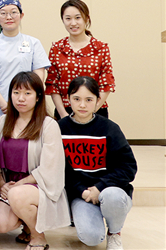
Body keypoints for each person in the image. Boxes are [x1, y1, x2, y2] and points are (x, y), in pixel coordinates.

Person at [0, 72, 70, 250]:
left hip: (39, 186)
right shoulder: (3, 122)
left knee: (17, 195)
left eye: (27, 93)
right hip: (10, 186)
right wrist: (2, 184)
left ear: (38, 97)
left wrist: (18, 186)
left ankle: (37, 235)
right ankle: (27, 222)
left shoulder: (48, 125)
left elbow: (50, 167)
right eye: (16, 93)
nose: (21, 98)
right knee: (0, 224)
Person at [58, 77, 137, 250]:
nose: (82, 105)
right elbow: (59, 170)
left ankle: (114, 233)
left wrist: (100, 187)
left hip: (109, 190)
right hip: (81, 195)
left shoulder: (109, 128)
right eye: (76, 99)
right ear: (68, 99)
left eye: (89, 100)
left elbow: (128, 167)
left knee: (112, 197)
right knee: (92, 238)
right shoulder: (60, 128)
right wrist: (82, 191)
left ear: (98, 100)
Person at [0, 0, 50, 125]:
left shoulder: (33, 43)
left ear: (21, 15)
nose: (9, 17)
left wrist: (27, 101)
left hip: (27, 105)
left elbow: (39, 78)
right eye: (3, 13)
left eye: (13, 12)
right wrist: (4, 105)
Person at [46, 0, 114, 119]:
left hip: (95, 111)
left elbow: (106, 83)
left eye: (78, 18)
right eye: (68, 18)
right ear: (63, 20)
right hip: (65, 112)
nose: (73, 23)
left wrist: (91, 111)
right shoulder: (57, 48)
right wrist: (63, 114)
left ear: (86, 19)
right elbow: (53, 84)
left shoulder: (100, 48)